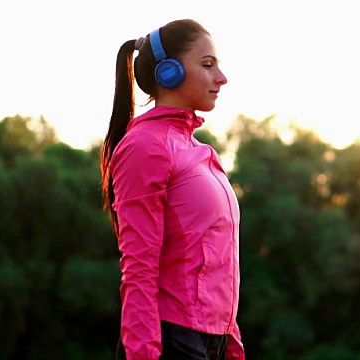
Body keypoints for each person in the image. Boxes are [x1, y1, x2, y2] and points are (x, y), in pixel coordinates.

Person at [100, 19, 245, 360]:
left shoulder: (200, 153)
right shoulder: (144, 147)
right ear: (169, 73)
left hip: (212, 340)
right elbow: (138, 267)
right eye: (207, 65)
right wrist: (143, 354)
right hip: (171, 341)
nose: (221, 78)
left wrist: (231, 343)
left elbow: (218, 261)